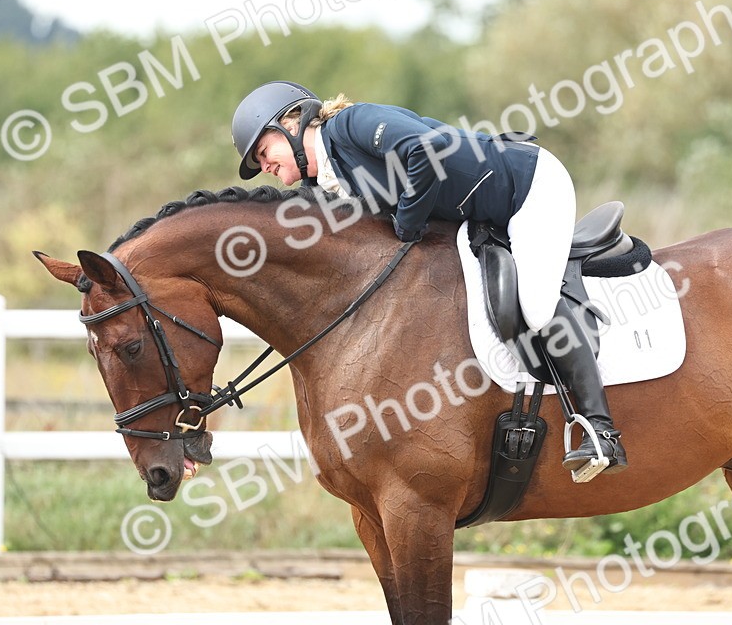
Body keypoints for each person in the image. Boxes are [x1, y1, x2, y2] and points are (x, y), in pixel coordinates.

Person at [230, 80, 627, 479]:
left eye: (264, 152)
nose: (264, 167)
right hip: (479, 213)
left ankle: (602, 432)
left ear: (292, 124)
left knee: (537, 307)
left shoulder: (352, 124)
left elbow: (426, 150)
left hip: (527, 188)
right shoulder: (323, 186)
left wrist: (406, 223)